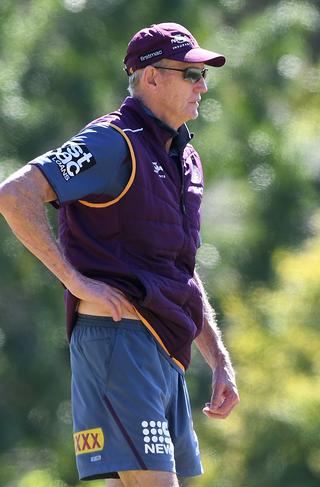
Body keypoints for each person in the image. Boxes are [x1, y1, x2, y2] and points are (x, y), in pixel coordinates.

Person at [0, 22, 239, 486]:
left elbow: (180, 271)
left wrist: (219, 358)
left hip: (164, 349)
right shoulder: (112, 141)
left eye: (202, 75)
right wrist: (76, 281)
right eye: (190, 74)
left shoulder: (186, 158)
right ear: (150, 77)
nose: (203, 86)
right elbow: (14, 195)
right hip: (118, 342)